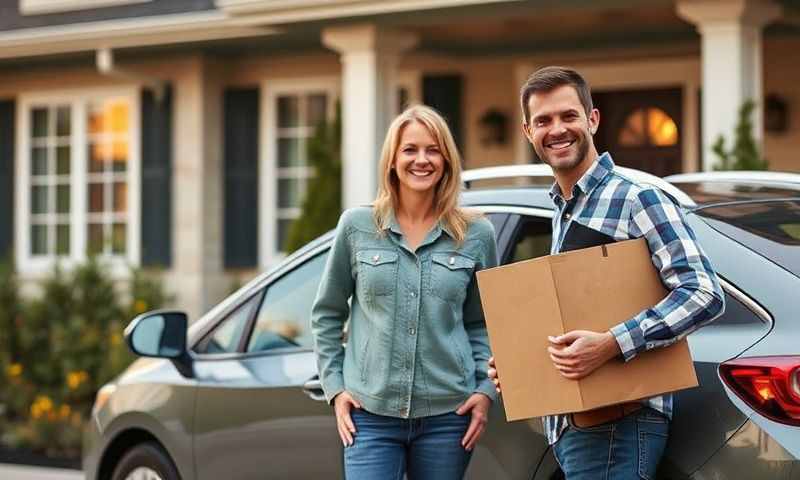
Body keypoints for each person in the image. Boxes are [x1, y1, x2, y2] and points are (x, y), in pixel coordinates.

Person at [488, 66, 725, 479]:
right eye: (543, 121)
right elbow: (579, 316)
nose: (556, 129)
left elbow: (703, 292)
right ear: (528, 132)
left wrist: (612, 343)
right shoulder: (565, 208)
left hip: (618, 422)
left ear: (592, 119)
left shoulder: (637, 197)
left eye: (568, 116)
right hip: (576, 428)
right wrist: (519, 363)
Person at [311, 105, 498, 479]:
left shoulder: (477, 235)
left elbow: (487, 323)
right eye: (410, 149)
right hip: (370, 414)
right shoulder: (357, 226)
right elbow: (327, 314)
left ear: (446, 160)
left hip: (449, 416)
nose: (422, 160)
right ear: (392, 160)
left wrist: (483, 390)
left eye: (433, 149)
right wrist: (335, 388)